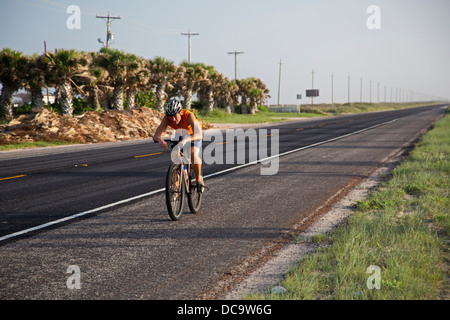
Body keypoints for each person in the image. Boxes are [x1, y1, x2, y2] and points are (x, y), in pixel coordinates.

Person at [153, 99, 205, 191]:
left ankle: (198, 180)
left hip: (193, 135)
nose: (173, 119)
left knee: (193, 153)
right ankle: (175, 186)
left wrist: (186, 140)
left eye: (175, 116)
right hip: (180, 134)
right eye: (171, 116)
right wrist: (160, 140)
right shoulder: (167, 118)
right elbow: (156, 136)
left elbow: (199, 135)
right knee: (175, 156)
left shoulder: (188, 115)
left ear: (180, 112)